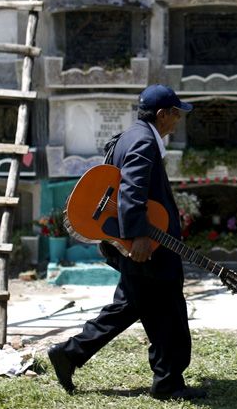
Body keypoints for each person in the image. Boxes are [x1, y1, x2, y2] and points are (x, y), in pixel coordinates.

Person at [47, 85, 207, 401]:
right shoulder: (144, 141)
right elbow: (131, 191)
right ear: (162, 114)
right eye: (176, 114)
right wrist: (139, 236)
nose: (177, 120)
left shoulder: (129, 136)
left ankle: (70, 354)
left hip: (138, 243)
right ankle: (168, 383)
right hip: (147, 246)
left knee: (129, 306)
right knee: (169, 311)